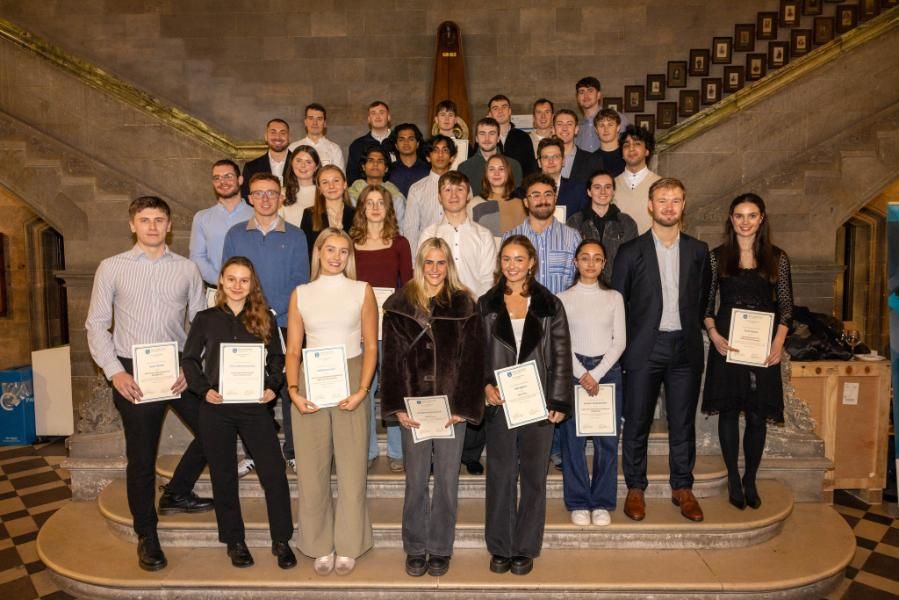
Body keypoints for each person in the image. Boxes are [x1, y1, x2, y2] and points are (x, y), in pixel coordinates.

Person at [85, 196, 212, 572]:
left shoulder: (187, 269)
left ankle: (176, 491)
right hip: (132, 370)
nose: (153, 226)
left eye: (159, 219)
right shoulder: (111, 268)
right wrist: (115, 372)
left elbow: (201, 324)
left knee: (215, 427)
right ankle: (147, 535)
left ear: (170, 225)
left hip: (178, 367)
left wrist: (193, 367)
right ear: (132, 225)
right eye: (145, 220)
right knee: (141, 457)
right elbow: (96, 324)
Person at [181, 257, 296, 570]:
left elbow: (277, 359)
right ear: (221, 280)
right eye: (231, 279)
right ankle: (235, 541)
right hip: (216, 406)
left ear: (252, 284)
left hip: (254, 407)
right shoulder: (205, 319)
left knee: (273, 473)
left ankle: (282, 540)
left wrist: (273, 387)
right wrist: (203, 390)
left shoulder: (265, 318)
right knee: (223, 476)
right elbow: (189, 360)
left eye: (244, 280)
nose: (237, 285)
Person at [380, 238, 486, 578]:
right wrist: (397, 408)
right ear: (420, 264)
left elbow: (473, 361)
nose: (435, 269)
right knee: (415, 481)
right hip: (413, 408)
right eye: (429, 262)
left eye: (441, 263)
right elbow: (391, 362)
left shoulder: (464, 304)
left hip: (451, 409)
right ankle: (415, 547)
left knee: (446, 481)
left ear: (449, 266)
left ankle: (440, 547)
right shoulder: (398, 305)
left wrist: (463, 407)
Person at [611, 177, 711, 523]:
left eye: (676, 201)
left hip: (685, 349)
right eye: (662, 201)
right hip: (643, 349)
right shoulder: (630, 252)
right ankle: (636, 488)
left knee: (682, 423)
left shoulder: (699, 251)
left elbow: (704, 300)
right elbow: (617, 305)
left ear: (684, 206)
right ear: (650, 206)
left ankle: (682, 487)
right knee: (637, 422)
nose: (669, 207)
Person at [286, 228, 378, 576]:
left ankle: (351, 543)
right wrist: (294, 390)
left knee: (353, 468)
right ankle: (318, 542)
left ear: (349, 255)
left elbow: (371, 345)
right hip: (311, 379)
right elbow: (294, 349)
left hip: (351, 377)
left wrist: (363, 389)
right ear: (319, 252)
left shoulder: (361, 291)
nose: (336, 256)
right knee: (312, 469)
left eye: (343, 251)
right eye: (330, 249)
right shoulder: (302, 294)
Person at [480, 235, 572, 576]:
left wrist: (560, 399)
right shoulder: (486, 305)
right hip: (501, 402)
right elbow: (476, 355)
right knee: (501, 476)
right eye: (506, 259)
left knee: (534, 476)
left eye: (519, 259)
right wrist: (485, 385)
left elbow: (561, 355)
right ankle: (499, 547)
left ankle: (525, 546)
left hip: (539, 403)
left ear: (531, 262)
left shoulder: (550, 305)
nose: (512, 265)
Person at [702, 193, 793, 510]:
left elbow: (786, 307)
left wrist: (778, 342)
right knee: (728, 411)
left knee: (757, 414)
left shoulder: (777, 258)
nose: (744, 222)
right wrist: (714, 334)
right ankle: (732, 477)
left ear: (762, 218)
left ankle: (750, 478)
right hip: (727, 343)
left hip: (763, 347)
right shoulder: (717, 257)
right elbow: (706, 305)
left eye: (751, 215)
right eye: (739, 215)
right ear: (730, 219)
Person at [222, 174, 310, 475]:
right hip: (246, 322)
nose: (265, 199)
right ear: (249, 197)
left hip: (286, 322)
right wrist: (253, 310)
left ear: (281, 196)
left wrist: (273, 311)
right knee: (250, 387)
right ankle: (255, 452)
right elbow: (230, 278)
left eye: (272, 193)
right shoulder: (235, 234)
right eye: (259, 194)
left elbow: (301, 280)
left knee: (288, 386)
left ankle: (294, 450)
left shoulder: (296, 235)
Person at [557, 239, 626, 527]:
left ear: (604, 264)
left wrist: (595, 374)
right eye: (584, 258)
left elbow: (620, 341)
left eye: (597, 258)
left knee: (606, 442)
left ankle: (601, 501)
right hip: (574, 371)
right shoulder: (563, 298)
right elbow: (561, 342)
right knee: (573, 443)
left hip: (606, 371)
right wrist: (581, 373)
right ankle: (577, 501)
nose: (590, 263)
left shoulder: (614, 298)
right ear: (575, 262)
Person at [349, 184, 413, 473]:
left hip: (392, 327)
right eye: (369, 202)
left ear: (389, 209)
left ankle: (398, 451)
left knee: (393, 387)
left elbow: (411, 285)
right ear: (361, 207)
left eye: (381, 203)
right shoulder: (349, 243)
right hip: (357, 327)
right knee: (364, 388)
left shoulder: (400, 243)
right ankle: (368, 449)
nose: (375, 207)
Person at [566, 169, 638, 286]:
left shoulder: (626, 223)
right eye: (597, 187)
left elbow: (631, 262)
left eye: (608, 187)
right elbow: (570, 260)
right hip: (583, 287)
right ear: (589, 192)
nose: (603, 192)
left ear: (613, 191)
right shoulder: (575, 222)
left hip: (617, 288)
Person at [190, 159, 254, 286]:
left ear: (240, 180)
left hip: (252, 289)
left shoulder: (256, 215)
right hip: (215, 289)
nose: (222, 182)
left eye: (228, 176)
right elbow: (197, 257)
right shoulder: (202, 217)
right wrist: (222, 282)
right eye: (217, 178)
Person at [403, 135, 458, 245]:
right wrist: (414, 261)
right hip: (426, 253)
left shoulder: (463, 187)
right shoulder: (416, 189)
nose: (440, 154)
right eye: (435, 150)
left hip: (456, 252)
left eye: (445, 150)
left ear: (452, 157)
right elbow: (411, 231)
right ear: (428, 157)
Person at [614, 125, 661, 234]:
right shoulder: (610, 185)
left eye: (637, 144)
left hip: (650, 248)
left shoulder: (660, 185)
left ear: (647, 151)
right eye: (626, 145)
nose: (631, 148)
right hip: (619, 249)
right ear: (622, 154)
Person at [458, 117, 523, 197]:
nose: (487, 138)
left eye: (492, 133)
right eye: (482, 134)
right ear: (476, 139)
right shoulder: (464, 168)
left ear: (498, 138)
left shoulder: (513, 165)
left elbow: (517, 200)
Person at [300, 164, 355, 258]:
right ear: (319, 188)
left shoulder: (357, 214)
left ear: (345, 184)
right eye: (325, 182)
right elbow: (306, 251)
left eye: (336, 181)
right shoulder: (309, 214)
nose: (331, 186)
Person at [348, 144, 406, 226]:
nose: (375, 164)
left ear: (386, 168)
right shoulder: (351, 195)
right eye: (371, 160)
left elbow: (400, 226)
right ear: (363, 167)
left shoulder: (396, 197)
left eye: (380, 161)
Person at [470, 154, 527, 236]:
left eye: (501, 169)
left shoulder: (520, 204)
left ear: (508, 173)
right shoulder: (474, 203)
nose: (496, 173)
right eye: (491, 169)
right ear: (486, 174)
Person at [486, 94, 538, 176]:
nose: (500, 111)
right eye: (495, 108)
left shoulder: (523, 137)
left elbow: (530, 168)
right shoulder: (484, 139)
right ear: (490, 114)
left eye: (504, 107)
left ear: (510, 111)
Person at [241, 118, 291, 200]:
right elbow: (246, 198)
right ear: (266, 137)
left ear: (289, 137)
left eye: (283, 133)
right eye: (273, 132)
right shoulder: (251, 168)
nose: (278, 137)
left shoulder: (301, 166)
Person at [552, 108, 602, 186]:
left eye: (569, 124)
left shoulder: (591, 160)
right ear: (553, 130)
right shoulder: (543, 160)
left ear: (576, 129)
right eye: (560, 124)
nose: (564, 128)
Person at [346, 100, 393, 184]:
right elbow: (352, 176)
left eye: (381, 112)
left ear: (389, 117)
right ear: (369, 119)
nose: (377, 116)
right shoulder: (357, 145)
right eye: (373, 113)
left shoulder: (399, 142)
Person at [288, 103, 344, 168]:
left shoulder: (335, 150)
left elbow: (339, 177)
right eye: (311, 118)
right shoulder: (293, 148)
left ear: (325, 123)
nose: (315, 123)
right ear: (305, 122)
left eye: (319, 119)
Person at [280, 145, 321, 228]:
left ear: (316, 167)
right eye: (298, 161)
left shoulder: (323, 193)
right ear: (291, 163)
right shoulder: (281, 193)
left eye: (308, 162)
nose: (303, 165)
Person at [387, 123, 430, 197]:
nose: (406, 143)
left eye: (411, 139)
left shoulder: (428, 170)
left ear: (417, 144)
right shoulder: (389, 170)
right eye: (401, 140)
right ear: (396, 145)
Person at [432, 99, 469, 170]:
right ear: (436, 119)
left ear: (455, 120)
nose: (446, 119)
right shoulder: (429, 145)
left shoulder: (466, 146)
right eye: (442, 115)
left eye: (450, 115)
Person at [592, 109, 625, 177]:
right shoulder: (591, 159)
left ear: (618, 127)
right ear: (596, 130)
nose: (606, 129)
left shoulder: (627, 156)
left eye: (610, 125)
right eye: (601, 125)